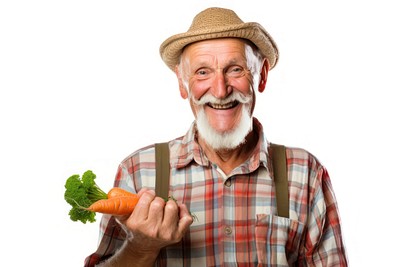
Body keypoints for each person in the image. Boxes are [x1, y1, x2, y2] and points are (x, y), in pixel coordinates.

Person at [84, 7, 348, 267]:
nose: (220, 91)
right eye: (202, 72)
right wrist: (141, 247)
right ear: (181, 83)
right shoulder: (139, 171)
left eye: (235, 69)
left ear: (262, 75)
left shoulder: (305, 173)